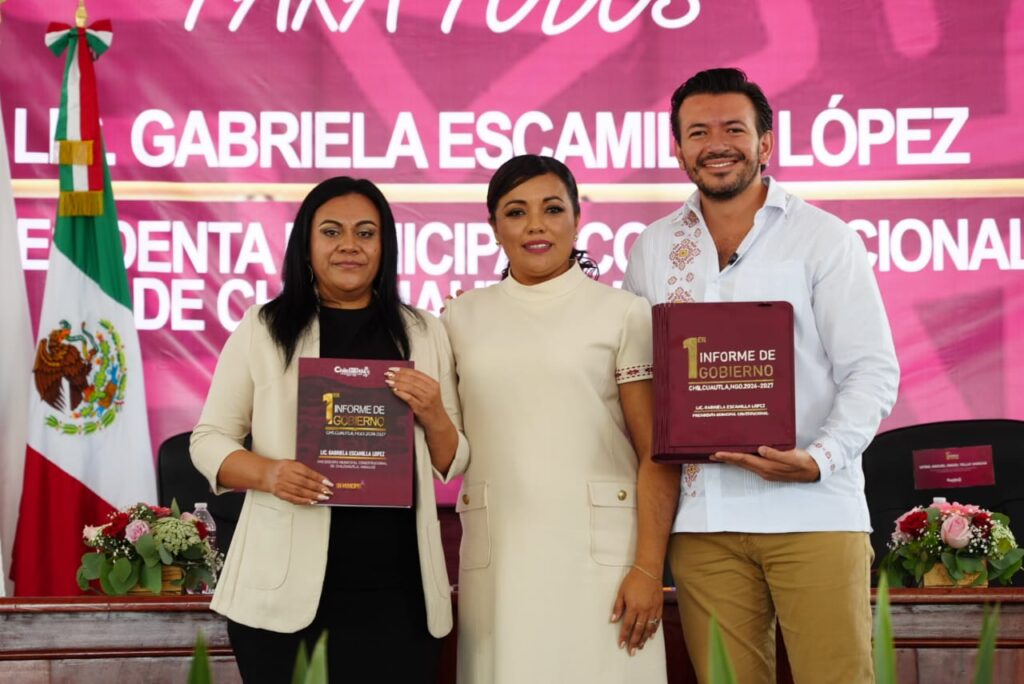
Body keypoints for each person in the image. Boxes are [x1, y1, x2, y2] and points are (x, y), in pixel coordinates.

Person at [623, 68, 900, 683]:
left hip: (814, 512)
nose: (716, 144)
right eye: (698, 132)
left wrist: (819, 458)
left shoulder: (823, 238)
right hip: (702, 523)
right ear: (678, 150)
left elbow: (871, 371)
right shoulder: (653, 247)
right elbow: (637, 376)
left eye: (733, 129)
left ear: (765, 142)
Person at [191, 176, 468, 683]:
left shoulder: (424, 330)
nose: (349, 245)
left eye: (366, 233)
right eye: (332, 231)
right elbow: (208, 440)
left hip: (399, 594)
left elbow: (453, 461)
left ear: (385, 246)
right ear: (306, 244)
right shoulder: (264, 327)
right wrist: (269, 474)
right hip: (283, 595)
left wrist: (433, 412)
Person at [442, 154, 680, 683]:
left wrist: (648, 568)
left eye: (552, 209)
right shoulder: (459, 317)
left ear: (577, 218)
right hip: (500, 554)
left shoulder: (623, 313)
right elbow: (449, 451)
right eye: (516, 212)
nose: (535, 225)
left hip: (602, 562)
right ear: (493, 227)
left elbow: (656, 454)